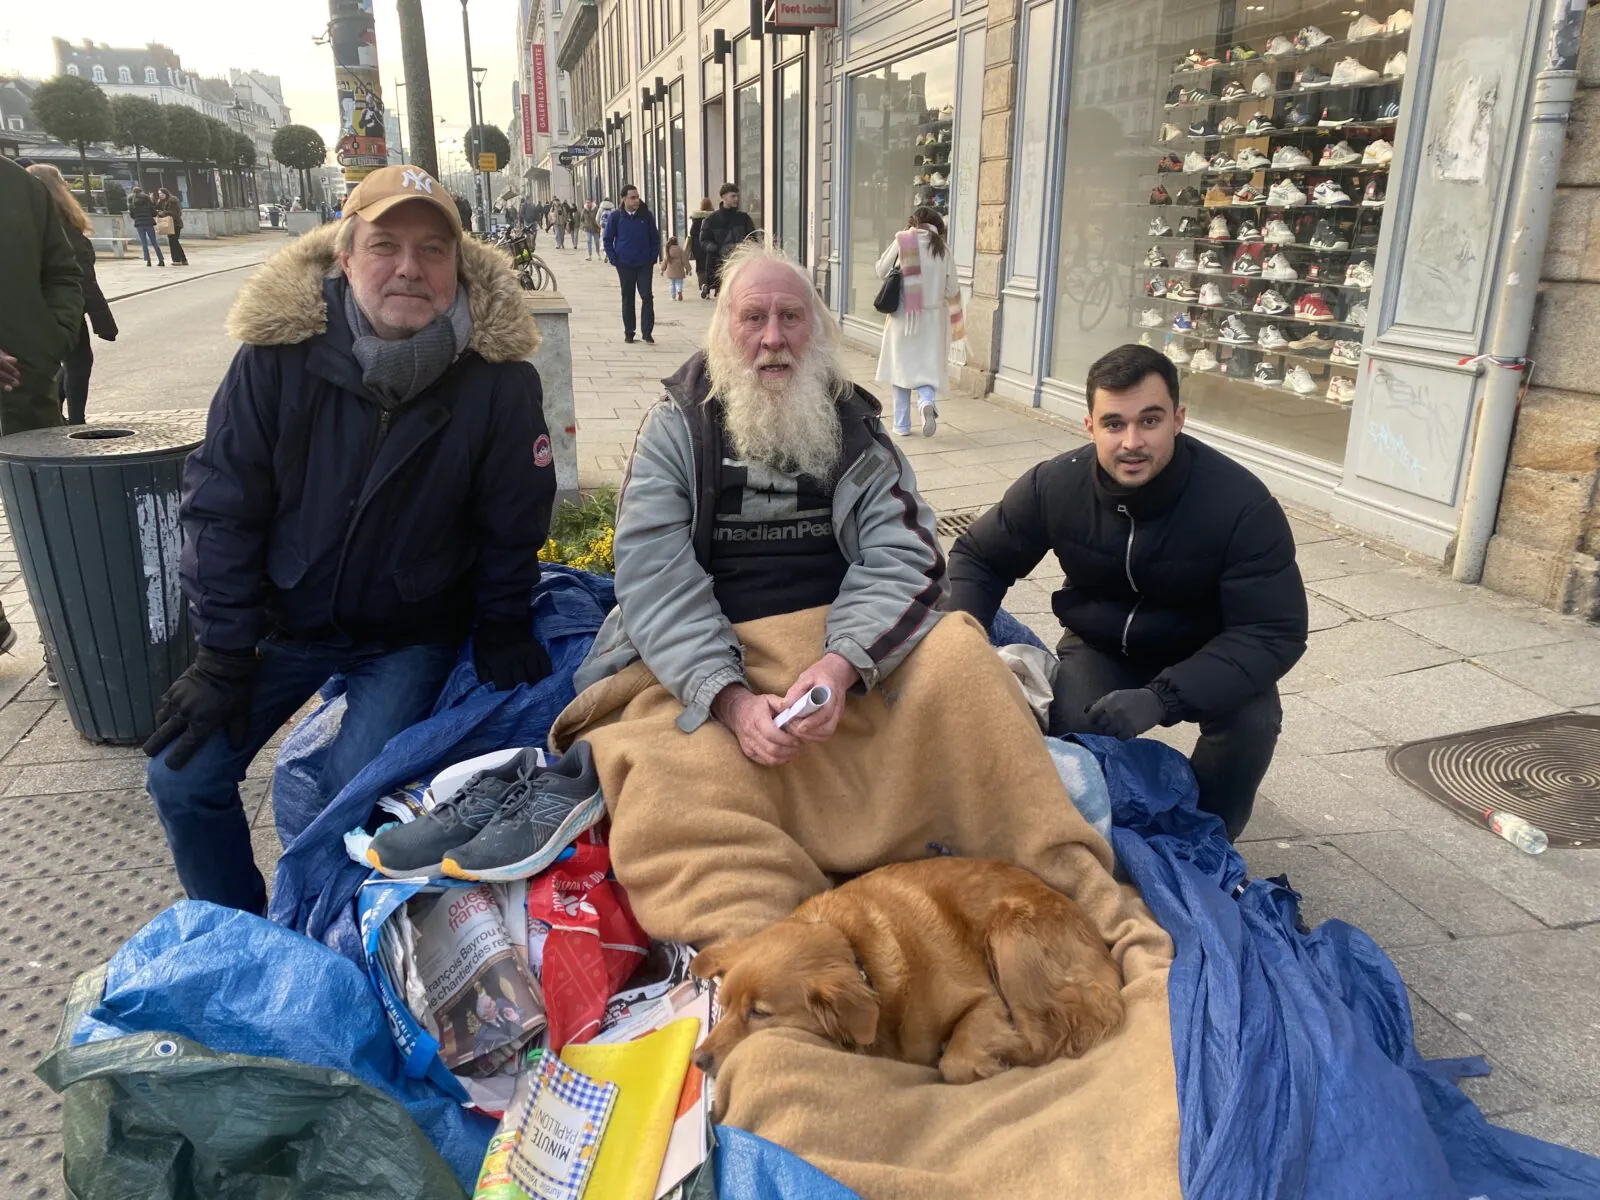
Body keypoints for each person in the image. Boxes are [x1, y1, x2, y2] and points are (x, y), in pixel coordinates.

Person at [142, 164, 557, 914]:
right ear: (345, 257)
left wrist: (503, 621)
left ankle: (330, 937)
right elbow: (221, 507)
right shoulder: (278, 359)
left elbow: (513, 520)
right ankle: (243, 933)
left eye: (433, 250)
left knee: (345, 797)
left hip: (407, 634)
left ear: (456, 267)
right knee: (182, 778)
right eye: (385, 245)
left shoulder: (496, 382)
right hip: (281, 621)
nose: (409, 267)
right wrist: (223, 653)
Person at [947, 343, 1308, 839]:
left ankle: (1208, 843)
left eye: (1150, 421)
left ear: (1179, 419)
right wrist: (960, 639)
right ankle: (1101, 838)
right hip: (1102, 643)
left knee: (1253, 722)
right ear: (1090, 425)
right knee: (1075, 733)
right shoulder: (1056, 484)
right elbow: (979, 557)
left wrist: (1162, 699)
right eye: (1115, 423)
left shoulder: (1241, 504)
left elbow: (1273, 632)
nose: (1132, 441)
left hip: (1208, 650)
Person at [0, 156, 82, 653]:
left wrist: (49, 338)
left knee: (50, 518)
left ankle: (65, 644)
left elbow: (61, 270)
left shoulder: (16, 185)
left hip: (27, 388)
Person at [27, 164, 117, 426]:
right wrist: (104, 321)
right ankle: (75, 421)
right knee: (78, 362)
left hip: (40, 306)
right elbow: (82, 278)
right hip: (65, 307)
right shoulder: (62, 225)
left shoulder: (31, 220)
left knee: (62, 362)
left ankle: (59, 414)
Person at [873, 206, 962, 439]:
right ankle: (925, 402)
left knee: (901, 369)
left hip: (903, 317)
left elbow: (881, 271)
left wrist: (899, 241)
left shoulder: (903, 241)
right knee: (926, 368)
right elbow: (952, 289)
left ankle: (902, 425)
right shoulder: (942, 249)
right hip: (932, 320)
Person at [603, 185, 661, 345]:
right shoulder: (616, 217)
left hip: (644, 264)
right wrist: (614, 259)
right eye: (632, 198)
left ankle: (647, 332)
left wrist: (652, 257)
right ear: (624, 199)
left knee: (647, 296)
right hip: (625, 264)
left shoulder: (646, 215)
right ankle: (629, 332)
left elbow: (655, 239)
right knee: (628, 298)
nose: (636, 200)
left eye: (637, 197)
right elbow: (607, 239)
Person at [698, 183, 756, 297]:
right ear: (724, 197)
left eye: (737, 196)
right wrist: (716, 248)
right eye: (733, 196)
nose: (736, 199)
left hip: (741, 265)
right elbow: (704, 240)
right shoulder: (712, 220)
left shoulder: (744, 218)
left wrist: (747, 250)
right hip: (720, 266)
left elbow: (753, 238)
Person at [128, 186, 166, 267]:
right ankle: (161, 260)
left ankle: (148, 261)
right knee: (154, 242)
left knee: (144, 243)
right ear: (141, 191)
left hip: (139, 224)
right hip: (149, 223)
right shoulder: (147, 200)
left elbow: (132, 215)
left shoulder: (132, 203)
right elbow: (154, 213)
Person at [687, 196, 714, 298]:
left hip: (698, 246)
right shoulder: (714, 217)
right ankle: (713, 287)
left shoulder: (696, 218)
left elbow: (692, 232)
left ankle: (703, 285)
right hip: (710, 246)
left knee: (701, 268)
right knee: (712, 266)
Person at [155, 187, 189, 266]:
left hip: (175, 224)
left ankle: (177, 260)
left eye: (162, 193)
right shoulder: (162, 201)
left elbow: (174, 212)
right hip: (169, 224)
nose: (160, 195)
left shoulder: (172, 200)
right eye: (159, 194)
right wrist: (154, 200)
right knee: (174, 241)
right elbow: (156, 208)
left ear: (166, 193)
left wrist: (163, 213)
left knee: (173, 241)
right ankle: (183, 259)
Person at [662, 236, 687, 301]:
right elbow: (685, 260)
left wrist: (662, 270)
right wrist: (688, 269)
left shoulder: (668, 250)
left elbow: (665, 261)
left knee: (672, 284)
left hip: (671, 271)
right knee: (679, 282)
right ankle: (679, 291)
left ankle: (673, 297)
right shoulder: (680, 249)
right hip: (679, 270)